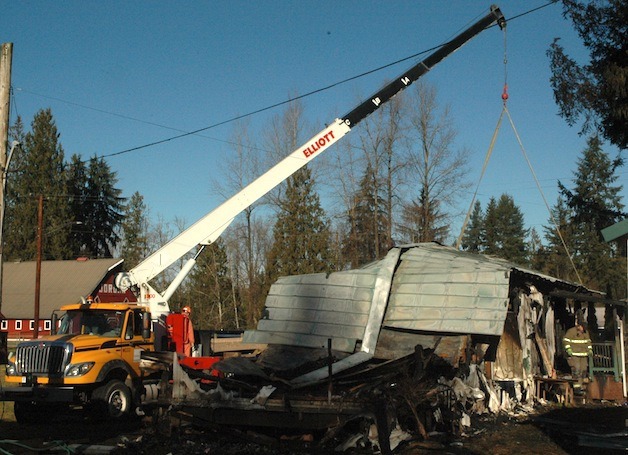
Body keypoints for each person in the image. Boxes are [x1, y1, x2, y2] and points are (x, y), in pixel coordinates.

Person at [562, 317, 592, 390]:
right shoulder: (571, 331)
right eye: (582, 328)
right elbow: (566, 341)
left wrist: (590, 350)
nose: (582, 330)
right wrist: (568, 349)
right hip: (574, 354)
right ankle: (576, 386)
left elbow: (588, 342)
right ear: (579, 326)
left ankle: (581, 385)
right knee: (576, 370)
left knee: (583, 370)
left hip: (584, 354)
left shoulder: (585, 332)